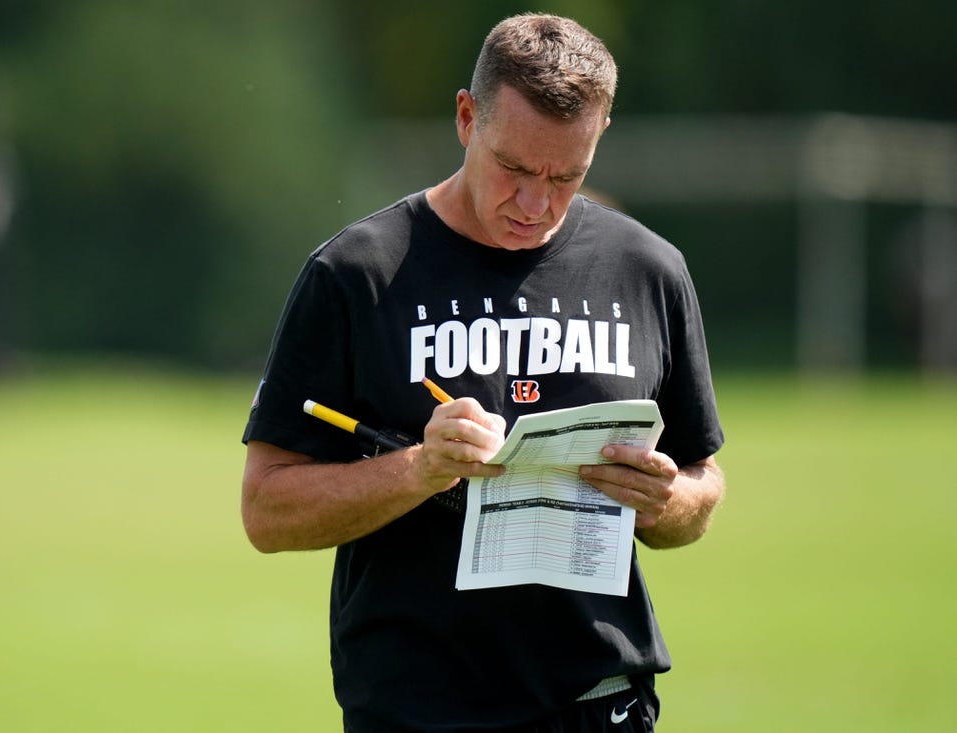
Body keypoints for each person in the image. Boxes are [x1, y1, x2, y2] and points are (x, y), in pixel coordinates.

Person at [242, 13, 725, 732]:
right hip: (415, 708)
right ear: (467, 118)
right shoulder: (357, 275)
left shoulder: (649, 270)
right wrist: (418, 469)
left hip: (598, 702)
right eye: (516, 169)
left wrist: (665, 500)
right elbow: (265, 510)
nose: (537, 205)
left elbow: (702, 484)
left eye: (568, 175)